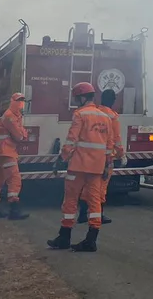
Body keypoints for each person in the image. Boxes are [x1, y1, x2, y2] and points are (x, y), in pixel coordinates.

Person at [47, 82, 113, 253]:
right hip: (97, 168)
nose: (76, 101)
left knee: (70, 200)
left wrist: (61, 159)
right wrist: (108, 164)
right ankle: (91, 240)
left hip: (78, 166)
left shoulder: (80, 115)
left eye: (77, 98)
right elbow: (109, 144)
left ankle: (64, 236)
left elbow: (71, 140)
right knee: (94, 202)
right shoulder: (105, 117)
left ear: (83, 98)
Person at [79, 88, 123, 226]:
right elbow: (115, 139)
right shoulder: (112, 116)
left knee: (88, 186)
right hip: (105, 158)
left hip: (90, 156)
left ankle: (82, 214)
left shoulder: (95, 112)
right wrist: (120, 154)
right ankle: (98, 215)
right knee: (101, 187)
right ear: (113, 100)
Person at [0, 93, 30, 220]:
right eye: (19, 100)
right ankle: (14, 210)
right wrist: (23, 134)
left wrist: (22, 133)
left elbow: (20, 133)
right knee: (14, 179)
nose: (21, 103)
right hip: (7, 152)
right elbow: (20, 136)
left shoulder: (13, 116)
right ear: (12, 101)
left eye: (22, 100)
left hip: (1, 152)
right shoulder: (10, 116)